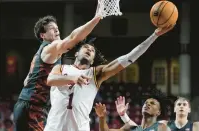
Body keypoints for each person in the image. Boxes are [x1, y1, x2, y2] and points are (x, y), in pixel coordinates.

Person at [43, 23, 174, 131]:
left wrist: (154, 35)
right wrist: (73, 79)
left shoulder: (95, 74)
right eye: (86, 48)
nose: (89, 50)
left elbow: (128, 58)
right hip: (54, 127)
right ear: (76, 53)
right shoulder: (61, 68)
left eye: (92, 51)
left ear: (93, 59)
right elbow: (49, 80)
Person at [13, 10, 102, 131]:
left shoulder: (41, 54)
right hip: (32, 108)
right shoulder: (51, 48)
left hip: (31, 106)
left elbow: (27, 80)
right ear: (42, 35)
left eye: (57, 27)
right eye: (51, 28)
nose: (56, 30)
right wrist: (96, 19)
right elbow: (74, 37)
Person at [116, 96, 199, 131]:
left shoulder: (195, 126)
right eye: (179, 104)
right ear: (174, 109)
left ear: (189, 109)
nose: (181, 106)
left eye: (184, 104)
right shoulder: (164, 124)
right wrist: (124, 116)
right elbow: (139, 129)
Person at [95, 98, 169, 131]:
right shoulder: (130, 128)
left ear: (158, 112)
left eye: (152, 103)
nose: (148, 104)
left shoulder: (162, 127)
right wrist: (102, 117)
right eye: (146, 103)